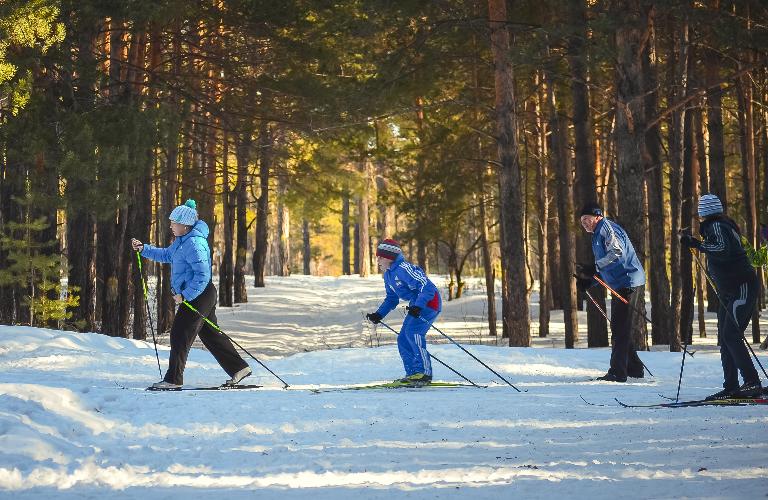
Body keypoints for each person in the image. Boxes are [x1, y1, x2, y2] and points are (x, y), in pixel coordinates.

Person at [131, 199, 251, 390]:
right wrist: (144, 249)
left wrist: (185, 295)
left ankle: (173, 379)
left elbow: (203, 275)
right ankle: (239, 368)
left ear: (185, 225)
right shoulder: (181, 241)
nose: (171, 226)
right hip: (200, 294)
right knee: (210, 334)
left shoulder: (194, 243)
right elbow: (166, 255)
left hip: (199, 295)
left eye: (174, 223)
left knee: (179, 333)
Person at [681, 194, 764, 400]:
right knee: (725, 338)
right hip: (729, 292)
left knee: (731, 335)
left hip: (742, 287)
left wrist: (697, 244)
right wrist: (698, 244)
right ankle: (731, 386)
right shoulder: (718, 226)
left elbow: (722, 250)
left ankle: (752, 382)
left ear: (704, 212)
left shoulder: (717, 225)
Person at [575, 202, 646, 382]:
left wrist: (594, 267)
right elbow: (606, 266)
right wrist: (589, 282)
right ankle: (634, 368)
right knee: (619, 327)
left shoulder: (606, 228)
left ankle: (617, 372)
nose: (584, 223)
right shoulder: (596, 234)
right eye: (582, 221)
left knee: (619, 328)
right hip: (620, 283)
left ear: (597, 216)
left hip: (628, 281)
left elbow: (616, 253)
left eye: (587, 219)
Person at [366, 239, 441, 385]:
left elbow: (427, 287)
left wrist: (418, 306)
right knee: (403, 338)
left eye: (380, 257)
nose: (378, 260)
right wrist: (379, 314)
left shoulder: (404, 268)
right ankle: (412, 373)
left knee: (413, 333)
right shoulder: (388, 275)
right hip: (416, 304)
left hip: (429, 303)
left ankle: (424, 373)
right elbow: (391, 298)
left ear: (390, 257)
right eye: (377, 257)